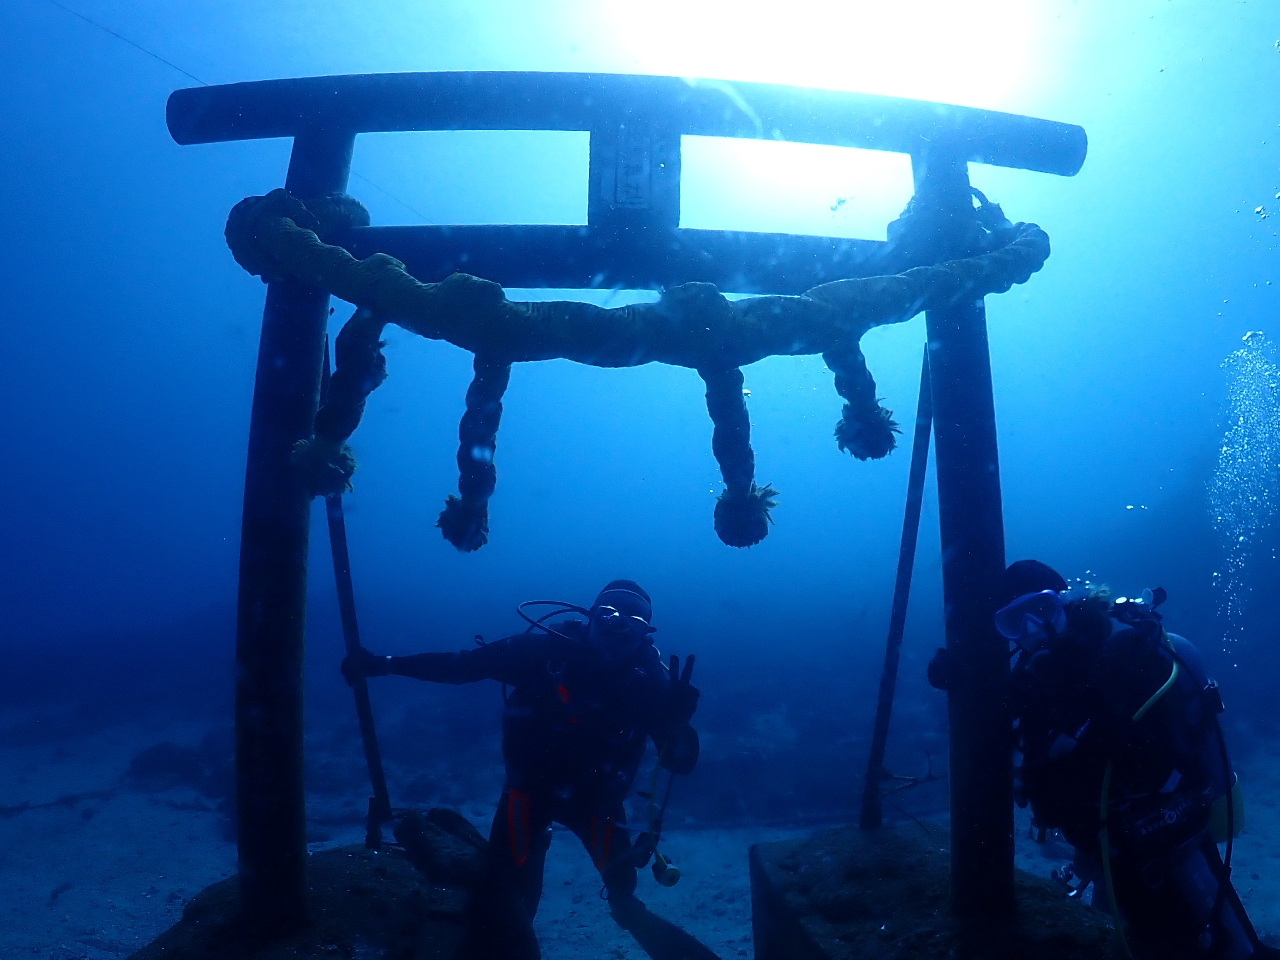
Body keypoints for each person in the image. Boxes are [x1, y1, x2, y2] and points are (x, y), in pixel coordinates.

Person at [342, 579, 718, 960]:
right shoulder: (543, 654)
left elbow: (679, 762)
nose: (617, 633)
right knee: (505, 895)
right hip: (530, 794)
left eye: (632, 625)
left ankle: (618, 906)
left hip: (597, 803)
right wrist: (384, 664)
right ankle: (520, 905)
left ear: (645, 635)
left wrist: (676, 725)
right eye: (609, 616)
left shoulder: (649, 684)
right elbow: (462, 666)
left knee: (623, 888)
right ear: (589, 617)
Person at [997, 559, 1277, 959]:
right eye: (1013, 622)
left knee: (1225, 950)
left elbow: (1146, 760)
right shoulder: (1038, 678)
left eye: (1041, 609)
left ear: (1066, 602)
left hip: (1167, 849)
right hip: (1107, 853)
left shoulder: (1120, 657)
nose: (1030, 629)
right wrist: (966, 679)